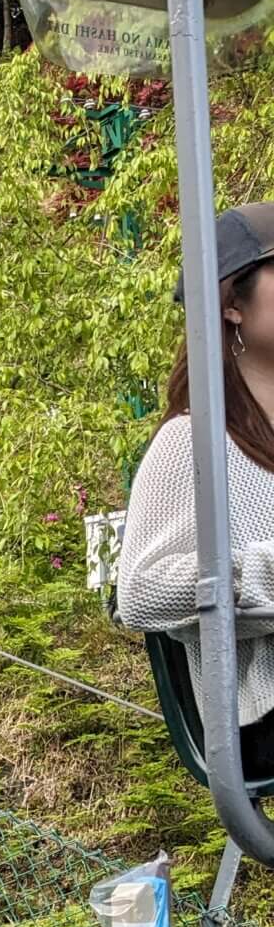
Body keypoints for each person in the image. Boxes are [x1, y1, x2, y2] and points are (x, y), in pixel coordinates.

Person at [118, 203, 274, 774]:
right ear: (232, 304)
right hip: (260, 710)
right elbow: (139, 592)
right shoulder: (192, 442)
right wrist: (263, 571)